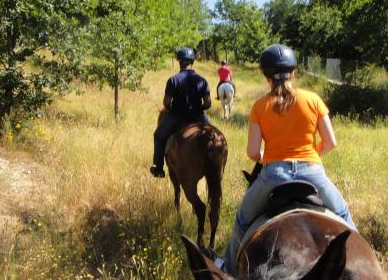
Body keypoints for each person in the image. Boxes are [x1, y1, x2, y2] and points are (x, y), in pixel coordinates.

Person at [222, 43, 357, 275]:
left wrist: (271, 158)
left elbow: (253, 152)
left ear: (266, 76)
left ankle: (230, 269)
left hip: (273, 175)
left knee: (242, 221)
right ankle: (360, 257)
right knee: (344, 214)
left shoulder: (259, 106)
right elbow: (330, 142)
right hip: (313, 172)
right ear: (294, 73)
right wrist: (311, 156)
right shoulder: (313, 99)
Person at [149, 47, 211, 178]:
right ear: (192, 62)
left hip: (177, 116)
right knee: (213, 134)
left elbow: (166, 103)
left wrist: (172, 108)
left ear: (179, 62)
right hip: (198, 116)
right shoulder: (202, 81)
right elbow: (208, 103)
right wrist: (199, 107)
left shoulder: (173, 80)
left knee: (159, 135)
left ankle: (159, 168)